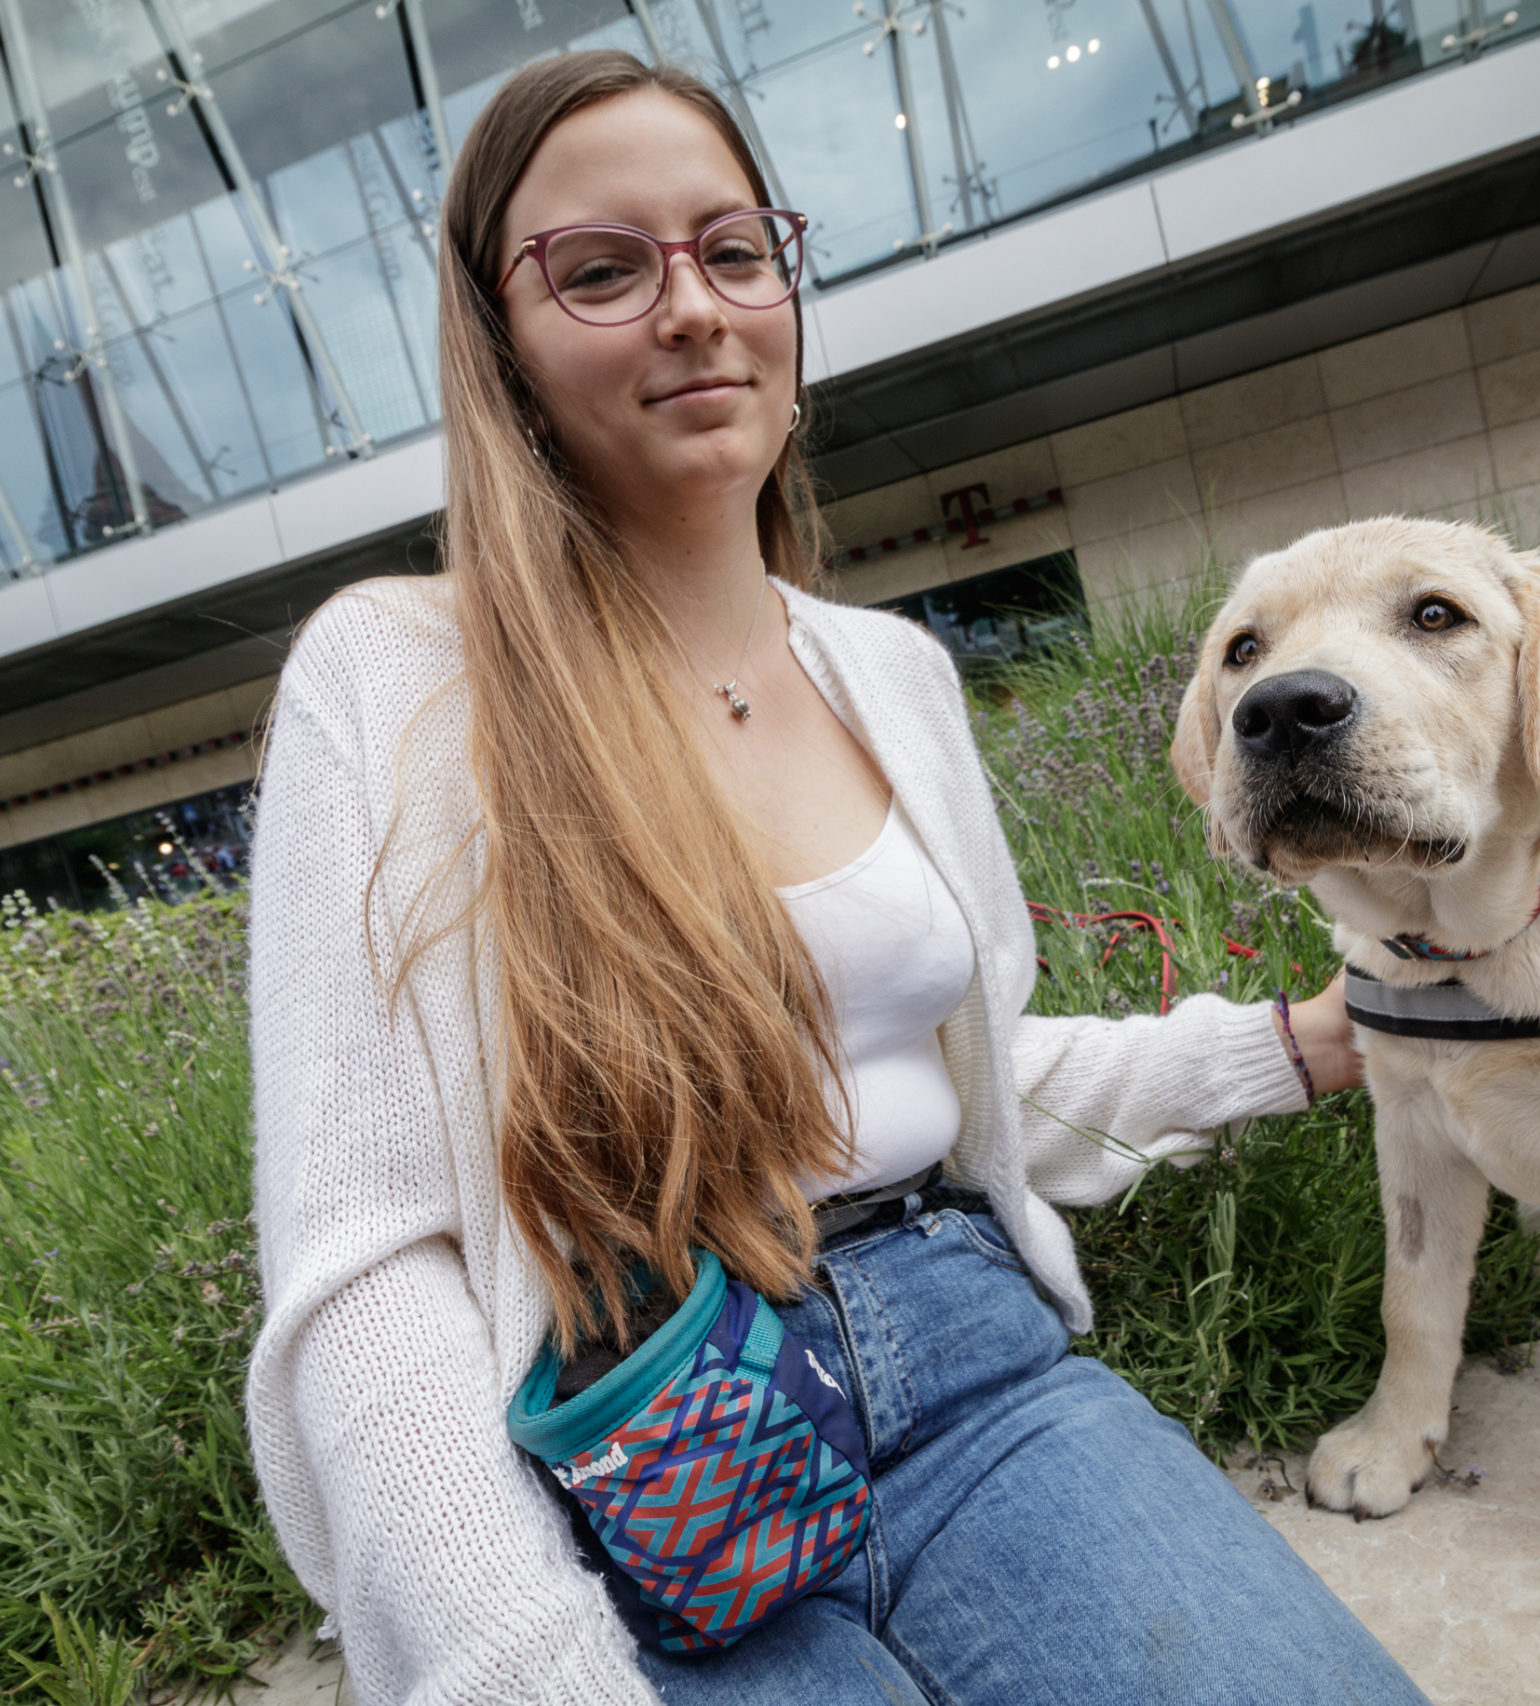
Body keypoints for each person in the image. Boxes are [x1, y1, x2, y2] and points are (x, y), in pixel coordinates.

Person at [243, 49, 1428, 1706]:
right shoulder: (395, 679)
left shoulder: (896, 677)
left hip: (969, 1359)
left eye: (734, 251)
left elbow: (944, 1085)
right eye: (601, 270)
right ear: (498, 345)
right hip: (633, 1450)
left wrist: (1288, 1045)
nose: (693, 307)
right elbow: (372, 1262)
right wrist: (526, 1663)